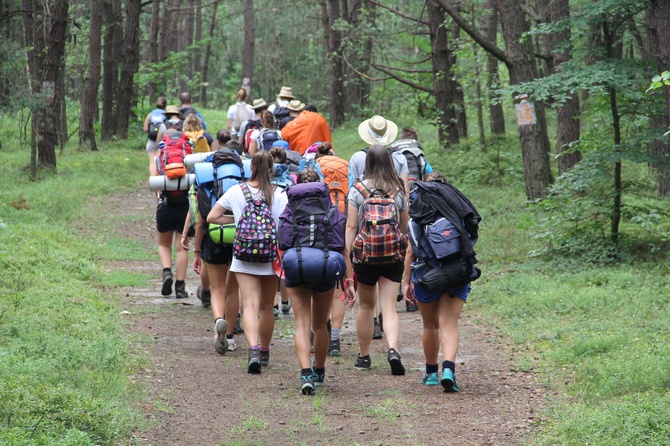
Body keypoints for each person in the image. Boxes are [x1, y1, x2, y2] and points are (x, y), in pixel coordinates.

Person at [207, 151, 288, 374]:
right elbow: (285, 224)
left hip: (243, 256)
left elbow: (212, 217)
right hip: (270, 256)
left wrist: (236, 219)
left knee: (250, 305)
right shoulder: (279, 193)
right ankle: (264, 351)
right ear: (271, 169)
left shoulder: (236, 191)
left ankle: (252, 349)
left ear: (249, 167)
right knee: (267, 307)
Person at [402, 172, 482, 392]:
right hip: (458, 274)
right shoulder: (457, 212)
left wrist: (406, 282)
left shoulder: (418, 216)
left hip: (427, 276)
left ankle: (430, 373)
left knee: (430, 326)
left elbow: (411, 253)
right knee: (449, 325)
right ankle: (449, 370)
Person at [281, 170, 356, 395]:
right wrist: (349, 280)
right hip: (325, 270)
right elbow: (342, 249)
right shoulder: (332, 211)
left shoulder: (289, 210)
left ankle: (305, 374)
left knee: (301, 325)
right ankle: (319, 371)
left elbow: (283, 244)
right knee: (320, 325)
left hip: (297, 269)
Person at [345, 144, 409, 375]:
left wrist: (349, 256)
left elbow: (351, 226)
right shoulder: (398, 190)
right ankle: (393, 349)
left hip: (365, 256)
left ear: (368, 162)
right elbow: (403, 228)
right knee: (389, 307)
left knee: (366, 305)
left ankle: (363, 356)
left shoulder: (357, 190)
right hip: (392, 256)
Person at [182, 148, 243, 354]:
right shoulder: (242, 181)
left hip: (213, 239)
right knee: (233, 290)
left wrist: (197, 252)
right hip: (239, 240)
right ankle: (231, 337)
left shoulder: (206, 182)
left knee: (217, 290)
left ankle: (219, 320)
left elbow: (200, 223)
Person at [155, 115, 190, 299]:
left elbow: (154, 182)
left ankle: (167, 272)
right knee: (182, 246)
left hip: (166, 203)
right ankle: (180, 287)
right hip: (185, 205)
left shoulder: (160, 154)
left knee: (163, 244)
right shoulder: (187, 151)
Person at [348, 115, 410, 196]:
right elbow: (405, 190)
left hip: (365, 205)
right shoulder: (399, 158)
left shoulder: (357, 157)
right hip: (393, 205)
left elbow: (353, 189)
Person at [143, 96, 167, 174]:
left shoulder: (150, 114)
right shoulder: (166, 115)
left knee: (152, 162)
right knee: (162, 162)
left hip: (151, 141)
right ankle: (159, 182)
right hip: (162, 143)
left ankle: (152, 181)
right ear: (165, 105)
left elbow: (145, 129)